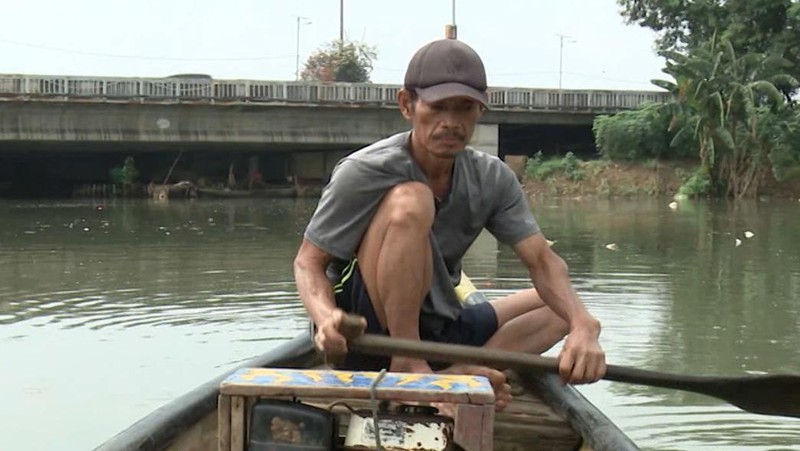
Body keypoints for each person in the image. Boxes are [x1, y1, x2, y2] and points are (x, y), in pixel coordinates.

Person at [293, 37, 606, 410]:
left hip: (441, 325)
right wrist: (326, 319)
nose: (451, 123)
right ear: (407, 105)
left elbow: (542, 261)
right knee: (412, 199)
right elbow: (308, 262)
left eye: (465, 109)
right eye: (438, 107)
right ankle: (408, 364)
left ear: (480, 109)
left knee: (562, 307)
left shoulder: (492, 177)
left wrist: (584, 325)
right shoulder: (365, 171)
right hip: (372, 334)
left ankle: (465, 371)